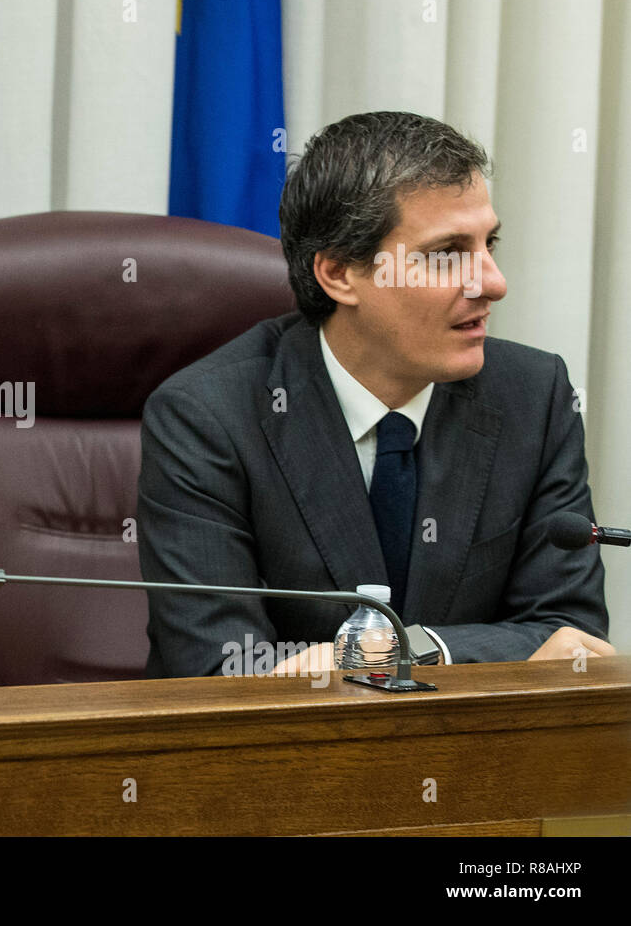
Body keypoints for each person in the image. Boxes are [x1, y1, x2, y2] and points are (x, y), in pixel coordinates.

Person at [140, 111, 612, 677]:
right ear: (339, 274)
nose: (492, 282)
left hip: (480, 755)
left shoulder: (533, 397)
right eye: (447, 253)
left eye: (491, 243)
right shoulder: (207, 417)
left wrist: (407, 649)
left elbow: (569, 640)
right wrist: (486, 648)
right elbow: (220, 668)